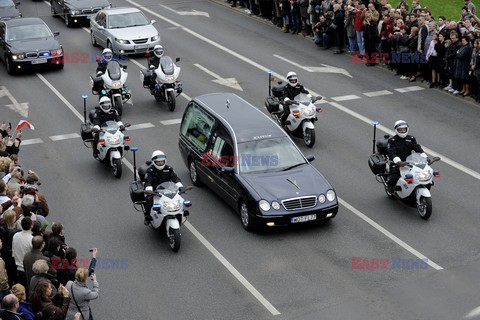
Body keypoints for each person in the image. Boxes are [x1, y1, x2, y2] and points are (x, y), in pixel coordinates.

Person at [143, 150, 183, 224]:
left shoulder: (169, 169)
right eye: (158, 162)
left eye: (162, 161)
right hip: (155, 192)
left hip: (168, 191)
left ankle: (180, 214)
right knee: (149, 202)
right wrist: (149, 189)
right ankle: (148, 217)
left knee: (180, 201)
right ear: (154, 162)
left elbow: (175, 178)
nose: (160, 163)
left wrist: (179, 185)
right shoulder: (150, 171)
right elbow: (148, 181)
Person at [386, 120, 426, 192]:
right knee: (394, 178)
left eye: (404, 129)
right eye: (400, 130)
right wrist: (397, 160)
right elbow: (391, 152)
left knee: (418, 176)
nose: (402, 131)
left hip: (409, 162)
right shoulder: (392, 140)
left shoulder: (411, 139)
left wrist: (425, 156)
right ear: (396, 130)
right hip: (396, 163)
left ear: (407, 129)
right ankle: (390, 187)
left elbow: (417, 148)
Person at [12, 217, 33, 291]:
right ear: (31, 226)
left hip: (17, 267)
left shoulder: (15, 236)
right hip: (27, 270)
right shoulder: (31, 239)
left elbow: (13, 252)